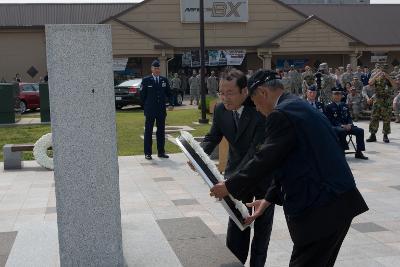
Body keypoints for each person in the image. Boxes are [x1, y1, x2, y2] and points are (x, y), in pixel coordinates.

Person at [210, 69, 369, 267]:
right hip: (337, 206)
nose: (257, 109)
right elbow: (286, 161)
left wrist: (229, 186)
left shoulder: (281, 114)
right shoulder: (297, 106)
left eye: (255, 102)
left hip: (321, 211)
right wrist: (268, 200)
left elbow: (265, 159)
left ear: (263, 93)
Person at [200, 68, 274, 267]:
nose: (225, 98)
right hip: (235, 175)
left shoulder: (259, 110)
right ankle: (234, 263)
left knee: (261, 231)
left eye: (230, 93)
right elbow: (213, 136)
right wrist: (199, 154)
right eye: (221, 93)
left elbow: (254, 154)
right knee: (237, 225)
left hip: (261, 176)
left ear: (245, 92)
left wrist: (230, 183)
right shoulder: (220, 109)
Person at [140, 60, 172, 160]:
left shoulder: (164, 80)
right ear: (152, 69)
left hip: (161, 110)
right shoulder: (146, 80)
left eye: (158, 68)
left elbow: (169, 93)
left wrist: (171, 104)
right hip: (150, 110)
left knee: (161, 131)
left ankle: (161, 152)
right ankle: (148, 153)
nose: (157, 70)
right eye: (155, 68)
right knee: (148, 131)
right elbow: (142, 95)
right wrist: (145, 107)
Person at [325, 87, 368, 159]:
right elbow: (330, 120)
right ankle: (342, 151)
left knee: (360, 131)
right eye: (335, 94)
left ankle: (359, 152)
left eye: (339, 94)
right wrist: (342, 125)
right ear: (332, 95)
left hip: (347, 126)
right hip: (336, 126)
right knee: (341, 131)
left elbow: (349, 117)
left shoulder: (344, 105)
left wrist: (350, 124)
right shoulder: (328, 106)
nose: (337, 96)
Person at [366, 68, 395, 143]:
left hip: (387, 101)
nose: (383, 73)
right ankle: (372, 135)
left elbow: (394, 85)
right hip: (377, 100)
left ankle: (385, 135)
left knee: (386, 119)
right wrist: (376, 75)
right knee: (374, 118)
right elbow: (370, 83)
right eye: (382, 71)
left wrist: (388, 77)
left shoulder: (389, 79)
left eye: (384, 71)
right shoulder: (377, 79)